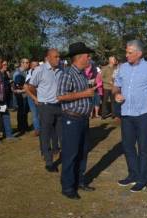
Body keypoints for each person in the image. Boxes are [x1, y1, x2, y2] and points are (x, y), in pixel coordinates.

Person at [113, 40, 147, 192]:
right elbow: (116, 85)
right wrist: (116, 94)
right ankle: (133, 174)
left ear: (139, 53)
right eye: (126, 52)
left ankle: (143, 179)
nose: (126, 55)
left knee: (143, 147)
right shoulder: (123, 68)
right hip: (126, 113)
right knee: (128, 146)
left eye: (129, 52)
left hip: (143, 114)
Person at [57, 42, 96, 199]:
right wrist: (85, 94)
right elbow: (60, 96)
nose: (89, 58)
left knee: (82, 153)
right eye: (87, 56)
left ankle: (79, 182)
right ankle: (67, 187)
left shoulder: (82, 74)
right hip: (71, 120)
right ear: (79, 57)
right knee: (70, 154)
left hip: (82, 120)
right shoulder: (67, 74)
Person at [28, 49, 63, 172]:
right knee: (46, 134)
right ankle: (49, 162)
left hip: (59, 106)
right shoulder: (40, 70)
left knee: (61, 134)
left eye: (59, 57)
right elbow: (30, 87)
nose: (58, 59)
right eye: (55, 57)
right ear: (48, 58)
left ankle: (63, 156)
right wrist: (37, 98)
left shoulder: (61, 70)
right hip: (45, 106)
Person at [12, 58, 30, 134]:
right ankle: (21, 127)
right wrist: (24, 89)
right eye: (26, 62)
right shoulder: (17, 73)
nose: (28, 64)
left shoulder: (26, 72)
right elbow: (16, 86)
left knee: (25, 111)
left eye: (28, 62)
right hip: (20, 96)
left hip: (25, 95)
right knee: (21, 111)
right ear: (22, 63)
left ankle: (25, 126)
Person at [25, 60, 40, 136]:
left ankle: (42, 128)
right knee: (34, 113)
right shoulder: (29, 73)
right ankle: (37, 129)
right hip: (31, 96)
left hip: (40, 95)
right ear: (31, 66)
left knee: (41, 113)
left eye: (37, 65)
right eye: (33, 65)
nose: (35, 67)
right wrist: (34, 98)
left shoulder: (42, 73)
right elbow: (29, 86)